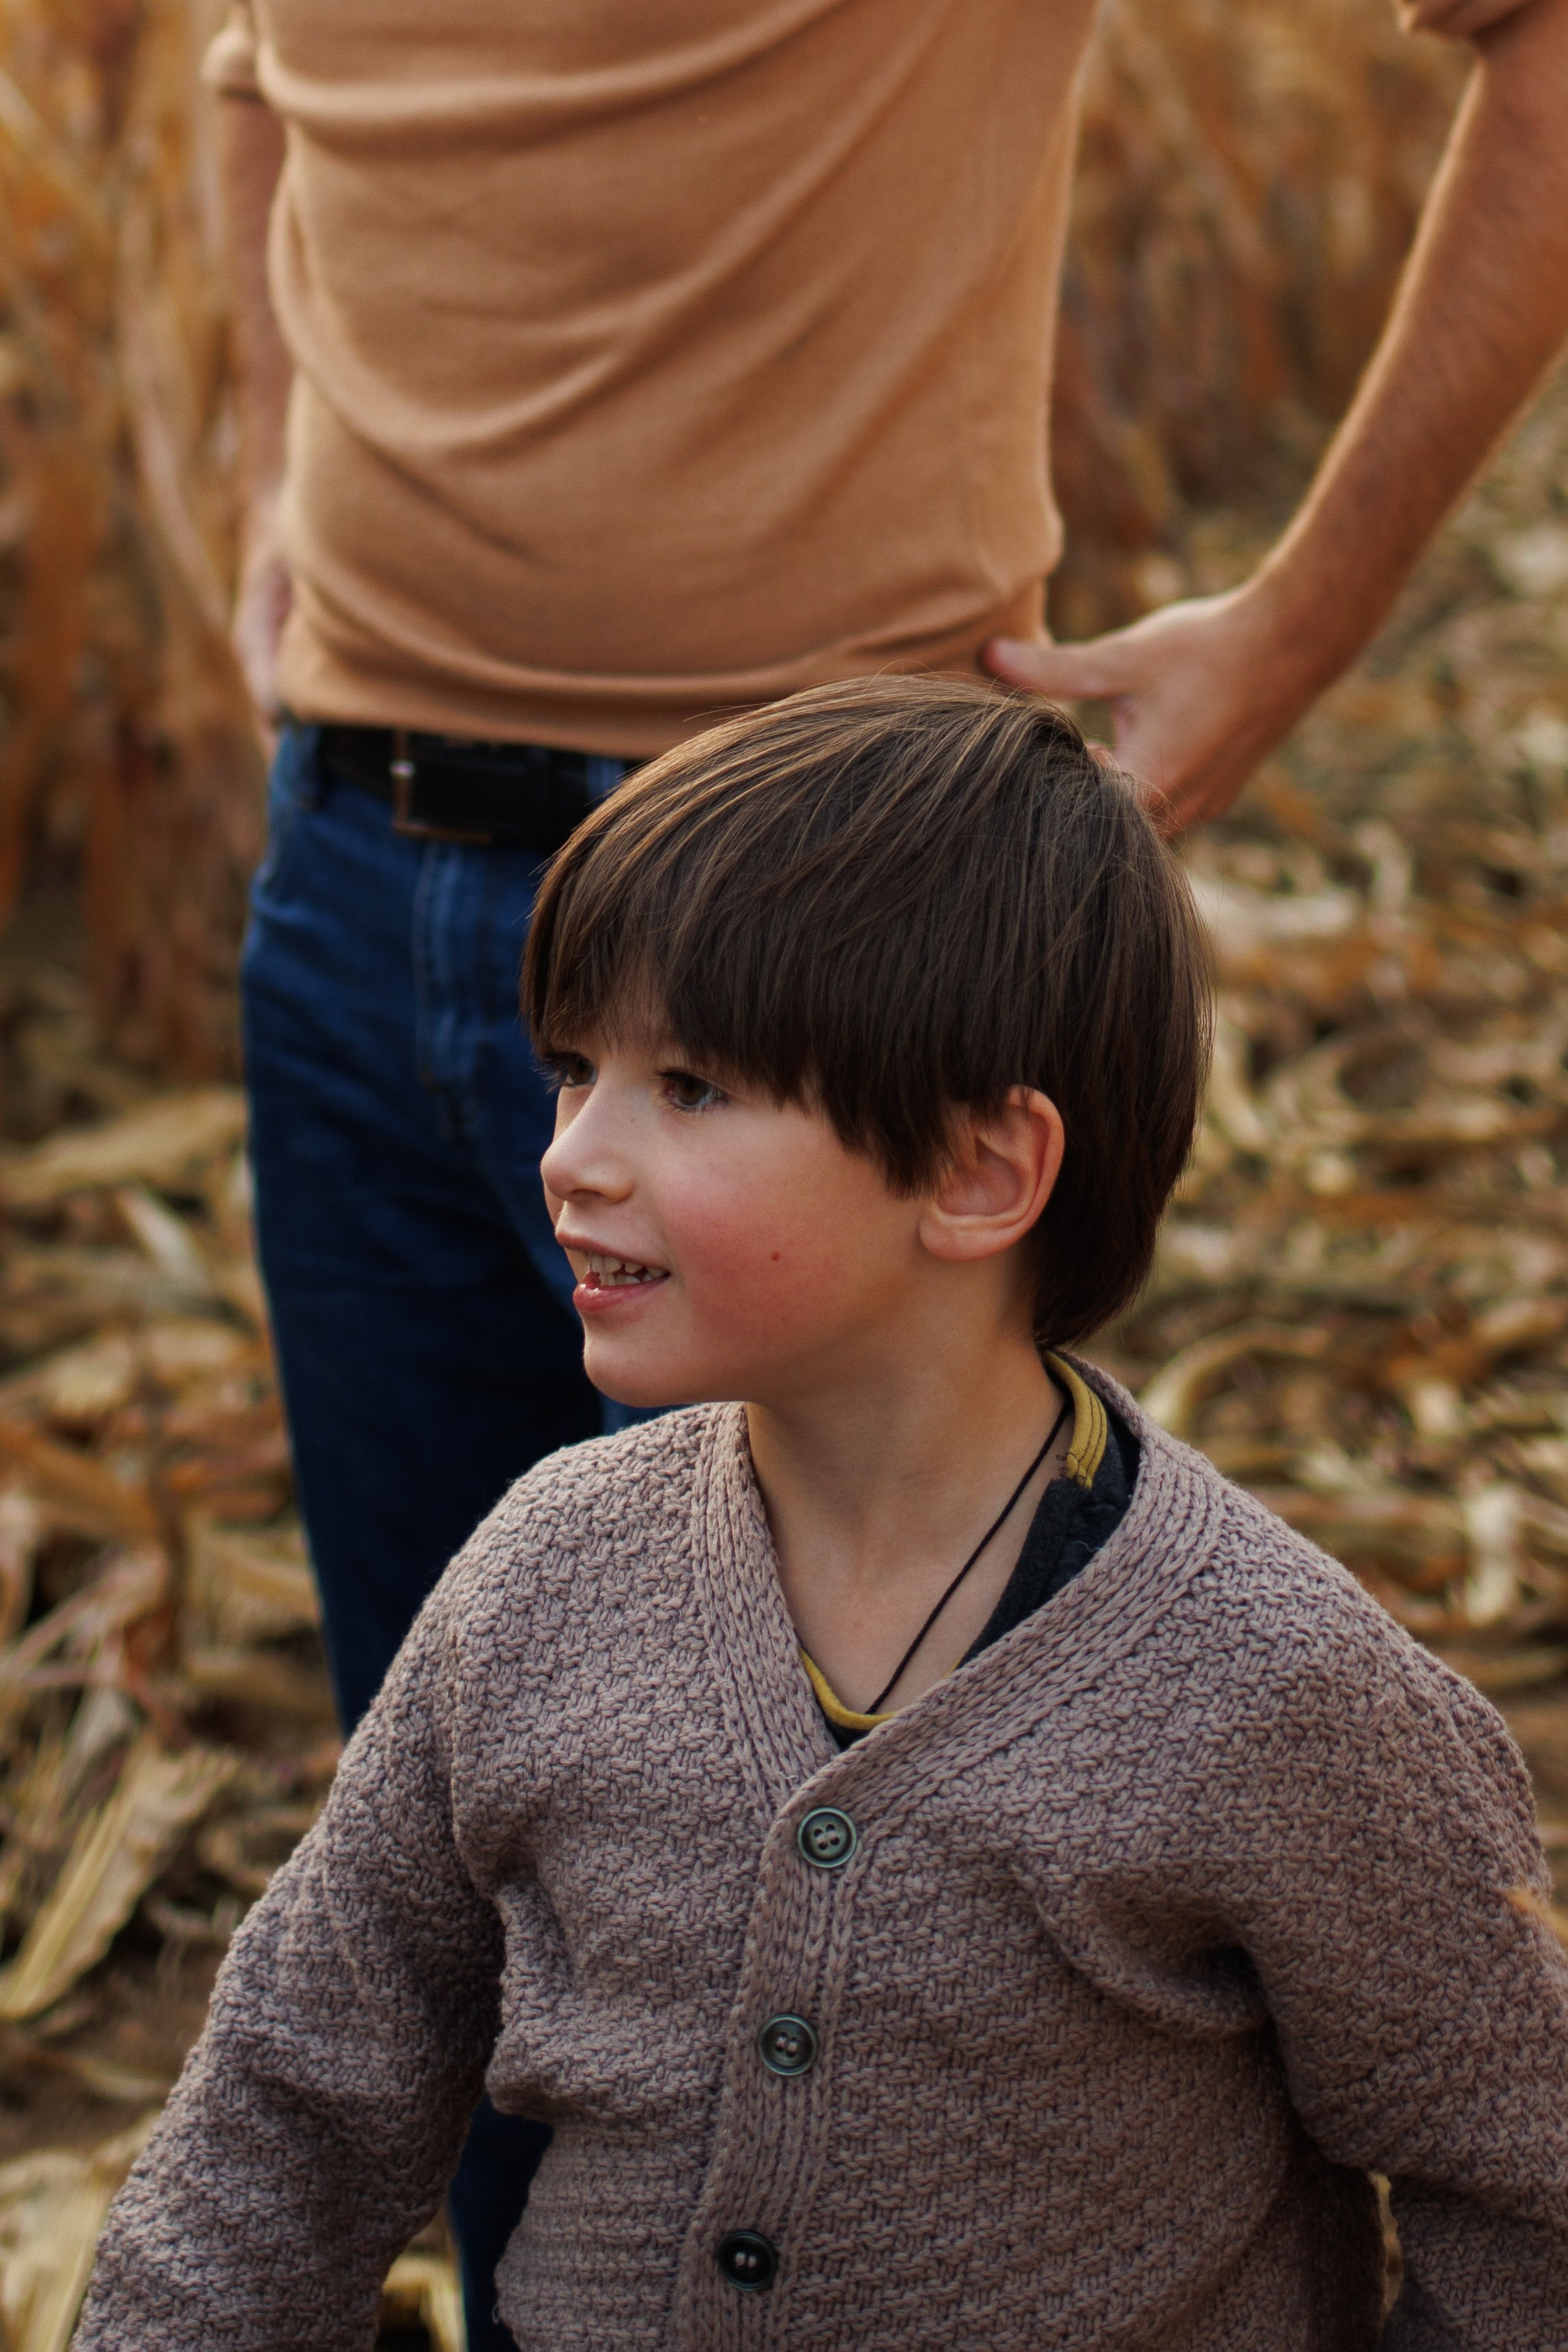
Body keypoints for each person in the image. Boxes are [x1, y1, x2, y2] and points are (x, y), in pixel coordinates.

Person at [209, 0, 1568, 2332]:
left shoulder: (1256, 1697)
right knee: (506, 1829)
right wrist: (266, 462)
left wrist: (1297, 623)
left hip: (826, 929)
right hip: (353, 860)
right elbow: (251, 67)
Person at [77, 681, 1568, 2351]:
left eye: (690, 1086)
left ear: (980, 1171)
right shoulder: (541, 1580)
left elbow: (1523, 2193)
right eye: (576, 1069)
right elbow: (292, 2106)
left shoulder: (1280, 1698)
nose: (570, 1151)